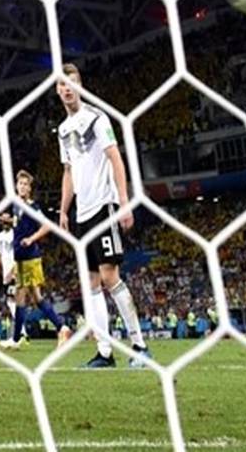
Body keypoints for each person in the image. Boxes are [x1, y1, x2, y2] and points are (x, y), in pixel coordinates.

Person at [55, 64, 151, 368]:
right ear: (57, 90)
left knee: (110, 276)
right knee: (91, 282)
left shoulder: (97, 118)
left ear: (80, 86)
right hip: (82, 213)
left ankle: (140, 346)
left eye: (71, 83)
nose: (67, 89)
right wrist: (63, 209)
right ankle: (105, 352)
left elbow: (115, 157)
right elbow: (68, 171)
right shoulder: (63, 130)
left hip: (104, 207)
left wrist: (124, 201)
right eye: (62, 84)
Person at [0, 170, 70, 350]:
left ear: (30, 189)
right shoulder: (16, 206)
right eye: (20, 184)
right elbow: (19, 225)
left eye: (25, 184)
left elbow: (47, 226)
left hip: (30, 258)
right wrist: (7, 220)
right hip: (20, 258)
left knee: (21, 297)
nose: (22, 187)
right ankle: (61, 327)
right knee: (35, 298)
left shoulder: (33, 207)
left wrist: (31, 239)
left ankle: (17, 338)